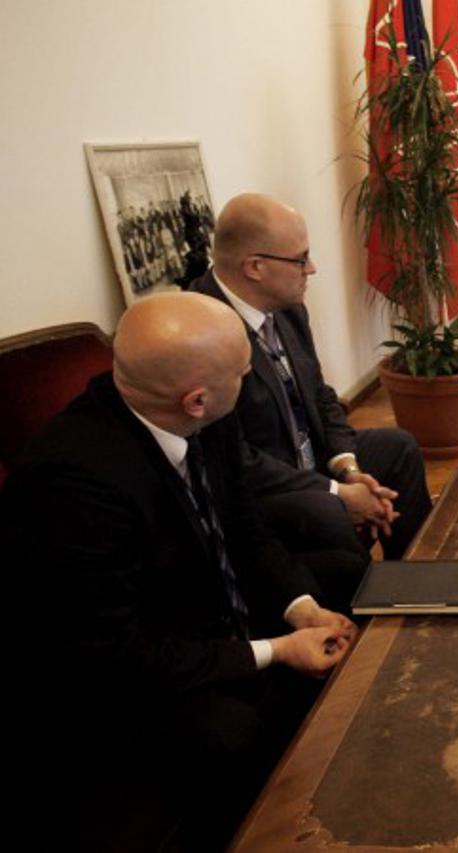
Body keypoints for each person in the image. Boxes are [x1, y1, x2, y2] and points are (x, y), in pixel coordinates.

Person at [6, 292, 357, 849]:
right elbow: (116, 653)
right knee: (233, 733)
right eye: (242, 372)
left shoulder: (200, 415)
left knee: (343, 573)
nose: (249, 378)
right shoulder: (72, 483)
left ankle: (334, 758)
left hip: (206, 598)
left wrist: (302, 608)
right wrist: (277, 650)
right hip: (129, 668)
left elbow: (245, 528)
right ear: (196, 399)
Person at [193, 193, 431, 602]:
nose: (312, 268)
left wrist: (347, 467)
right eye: (300, 259)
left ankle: (415, 583)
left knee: (398, 448)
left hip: (310, 458)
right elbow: (236, 460)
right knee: (328, 512)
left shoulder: (287, 308)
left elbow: (320, 395)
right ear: (255, 267)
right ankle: (368, 608)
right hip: (260, 488)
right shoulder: (203, 330)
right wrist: (337, 492)